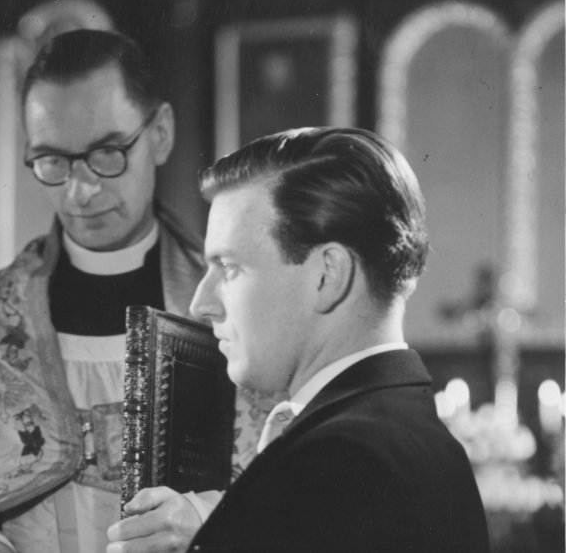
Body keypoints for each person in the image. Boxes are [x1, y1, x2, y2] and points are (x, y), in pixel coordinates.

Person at [0, 29, 274, 553]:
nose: (81, 190)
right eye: (53, 160)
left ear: (160, 133)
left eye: (107, 152)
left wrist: (202, 514)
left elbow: (283, 481)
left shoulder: (229, 306)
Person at [126, 127, 488, 551]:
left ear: (326, 275)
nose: (201, 304)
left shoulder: (332, 462)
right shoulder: (418, 440)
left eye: (229, 268)